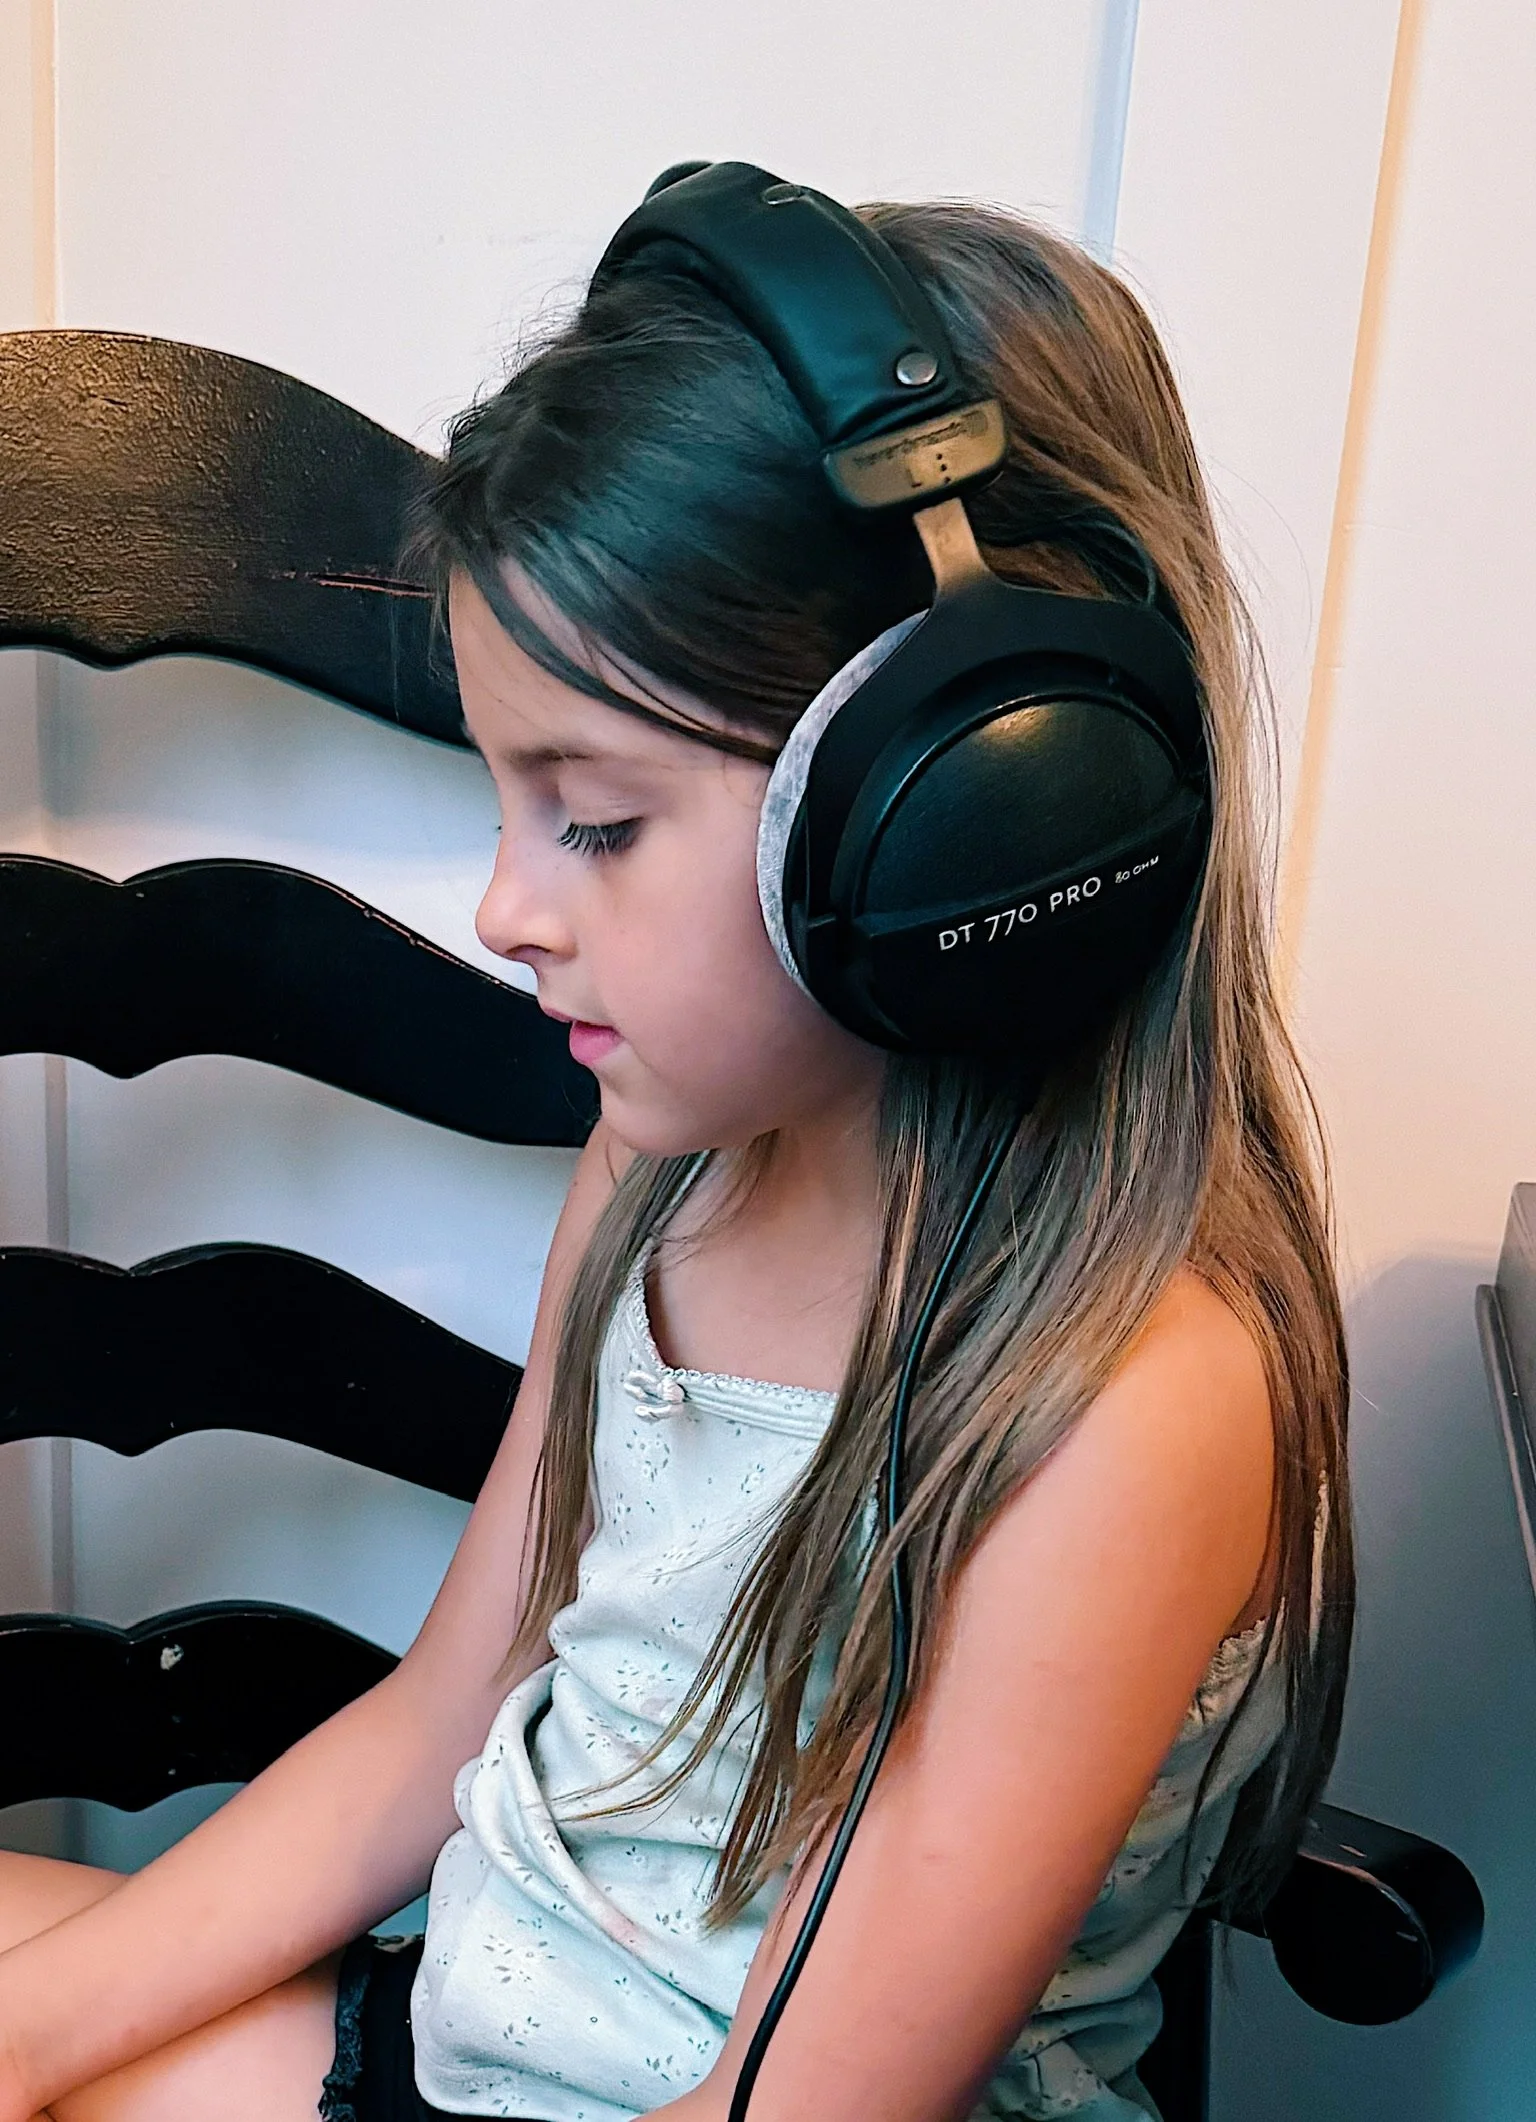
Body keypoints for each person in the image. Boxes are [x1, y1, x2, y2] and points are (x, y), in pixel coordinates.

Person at [0, 191, 1351, 2122]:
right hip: (467, 2036)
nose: (501, 906)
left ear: (968, 817)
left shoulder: (1130, 1405)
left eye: (598, 822)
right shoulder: (664, 1171)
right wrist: (33, 2038)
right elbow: (445, 1714)